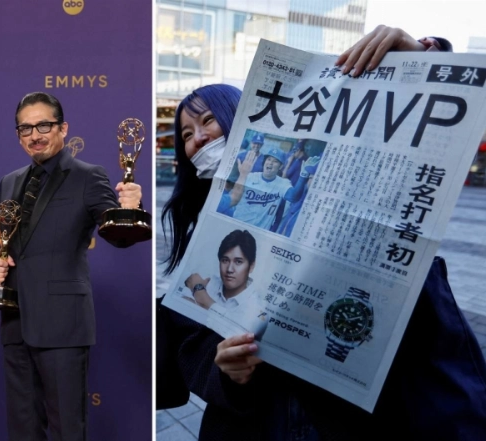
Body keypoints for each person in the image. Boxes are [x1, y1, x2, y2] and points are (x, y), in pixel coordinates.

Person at [157, 26, 486, 440]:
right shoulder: (201, 227)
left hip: (348, 416)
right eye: (186, 135)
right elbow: (190, 339)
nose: (199, 138)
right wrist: (226, 369)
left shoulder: (319, 190)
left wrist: (422, 61)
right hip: (258, 421)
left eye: (208, 121)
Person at [0, 91, 143, 441]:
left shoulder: (88, 176)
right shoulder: (8, 182)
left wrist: (131, 208)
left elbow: (120, 236)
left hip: (63, 324)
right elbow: (4, 244)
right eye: (25, 128)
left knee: (67, 430)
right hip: (15, 321)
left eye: (44, 125)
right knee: (22, 430)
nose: (35, 135)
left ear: (63, 128)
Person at [223, 144, 315, 230]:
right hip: (237, 225)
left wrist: (303, 176)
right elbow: (231, 201)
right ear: (264, 162)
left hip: (259, 231)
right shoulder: (249, 177)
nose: (270, 163)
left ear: (280, 166)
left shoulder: (283, 183)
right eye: (269, 159)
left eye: (275, 161)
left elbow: (293, 197)